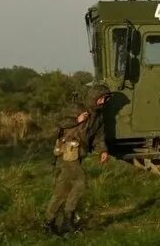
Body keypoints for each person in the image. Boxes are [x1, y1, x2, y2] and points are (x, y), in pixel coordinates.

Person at [44, 84, 111, 234]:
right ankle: (67, 219)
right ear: (94, 97)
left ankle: (50, 222)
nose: (103, 102)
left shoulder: (98, 116)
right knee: (80, 183)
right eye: (101, 98)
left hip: (78, 155)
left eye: (105, 99)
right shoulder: (77, 108)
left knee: (62, 190)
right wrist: (77, 119)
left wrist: (103, 151)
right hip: (67, 153)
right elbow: (59, 122)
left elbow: (99, 136)